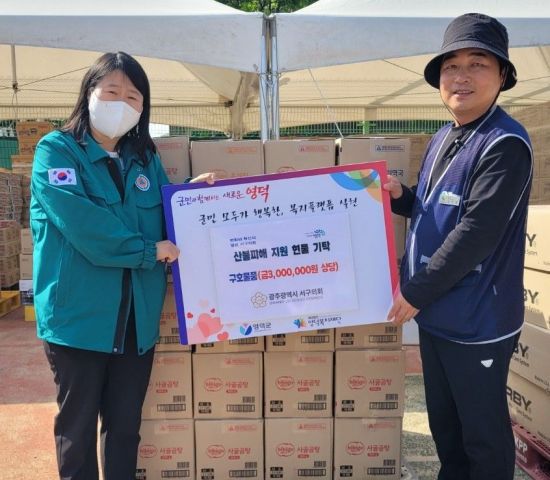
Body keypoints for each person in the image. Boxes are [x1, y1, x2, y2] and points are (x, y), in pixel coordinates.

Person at [31, 52, 213, 480]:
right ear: (89, 93)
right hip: (78, 322)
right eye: (111, 91)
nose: (121, 104)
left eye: (133, 97)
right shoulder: (56, 151)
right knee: (77, 431)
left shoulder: (144, 158)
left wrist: (193, 200)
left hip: (136, 322)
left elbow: (166, 217)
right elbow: (86, 227)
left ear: (143, 108)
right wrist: (150, 251)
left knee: (125, 430)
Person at [384, 13, 532, 480]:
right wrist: (401, 197)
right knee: (446, 431)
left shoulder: (504, 144)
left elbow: (476, 233)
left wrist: (415, 292)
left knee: (482, 436)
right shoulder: (444, 136)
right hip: (438, 315)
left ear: (502, 75)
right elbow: (435, 209)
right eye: (451, 66)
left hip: (477, 320)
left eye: (477, 64)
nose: (461, 76)